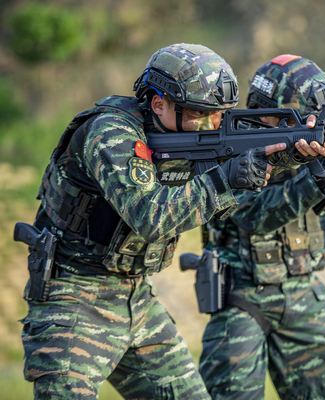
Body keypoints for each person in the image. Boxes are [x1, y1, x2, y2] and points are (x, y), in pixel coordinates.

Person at [18, 43, 295, 399]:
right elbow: (150, 217)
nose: (213, 125)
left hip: (137, 295)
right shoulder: (111, 132)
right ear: (159, 103)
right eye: (200, 113)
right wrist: (225, 179)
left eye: (219, 114)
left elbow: (234, 191)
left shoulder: (184, 133)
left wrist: (291, 157)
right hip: (74, 295)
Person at [197, 54, 325, 399]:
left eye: (315, 118)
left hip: (303, 290)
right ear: (265, 110)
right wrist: (317, 181)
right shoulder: (226, 144)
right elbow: (252, 215)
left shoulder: (308, 138)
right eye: (297, 118)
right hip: (242, 296)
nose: (310, 125)